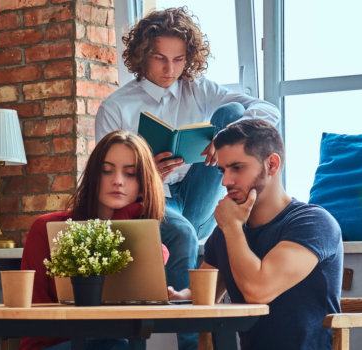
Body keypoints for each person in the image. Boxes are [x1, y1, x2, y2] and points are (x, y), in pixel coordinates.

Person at [95, 7, 282, 296]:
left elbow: (268, 110)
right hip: (156, 201)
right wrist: (148, 177)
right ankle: (192, 336)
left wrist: (223, 138)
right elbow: (105, 183)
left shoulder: (198, 89)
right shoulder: (116, 107)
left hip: (202, 197)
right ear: (143, 54)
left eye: (178, 59)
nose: (170, 69)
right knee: (181, 232)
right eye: (160, 59)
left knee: (232, 111)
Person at [168, 119, 343, 350]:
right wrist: (181, 296)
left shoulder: (313, 223)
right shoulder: (228, 229)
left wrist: (232, 228)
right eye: (223, 170)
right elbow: (205, 292)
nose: (225, 181)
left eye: (237, 168)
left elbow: (257, 291)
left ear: (272, 164)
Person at [20, 130, 167, 350]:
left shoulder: (152, 247)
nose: (117, 181)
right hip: (49, 344)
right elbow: (34, 313)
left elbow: (125, 318)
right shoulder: (47, 228)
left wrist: (123, 218)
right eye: (107, 171)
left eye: (130, 174)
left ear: (143, 185)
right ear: (93, 176)